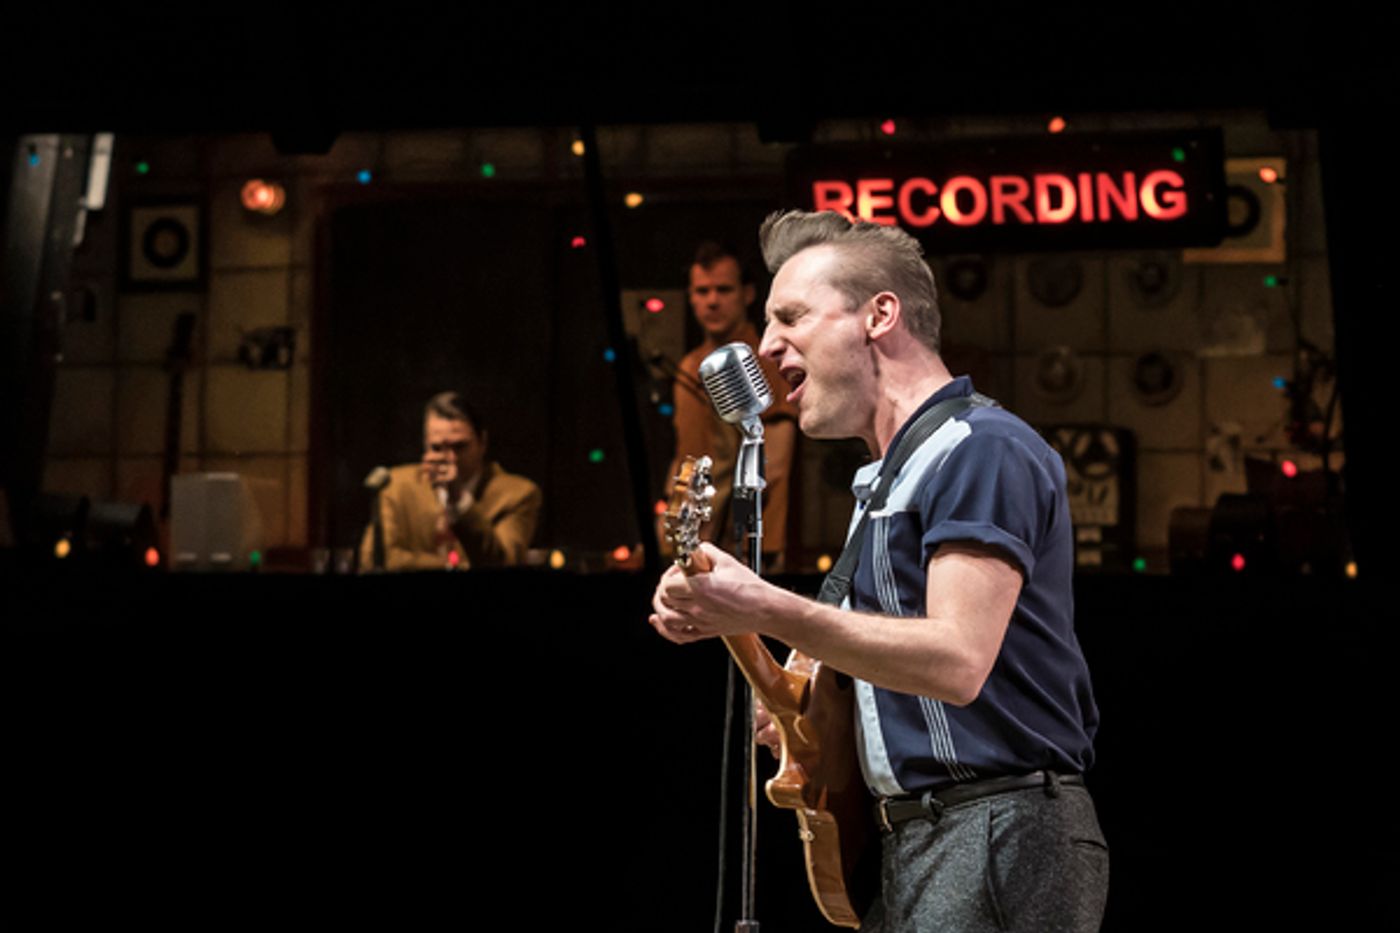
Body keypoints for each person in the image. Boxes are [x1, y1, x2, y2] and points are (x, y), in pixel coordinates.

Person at [650, 211, 1107, 931]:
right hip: (925, 834)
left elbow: (957, 661)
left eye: (791, 317)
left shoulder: (978, 447)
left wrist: (764, 605)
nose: (767, 345)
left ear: (879, 315)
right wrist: (821, 712)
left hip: (995, 826)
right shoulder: (886, 481)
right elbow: (891, 667)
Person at [664, 241, 797, 569]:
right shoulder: (687, 367)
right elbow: (685, 455)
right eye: (702, 291)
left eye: (723, 289)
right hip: (696, 546)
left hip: (750, 548)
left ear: (747, 294)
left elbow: (775, 463)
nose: (712, 301)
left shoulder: (766, 358)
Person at [359, 391, 541, 572]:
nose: (450, 458)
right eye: (437, 447)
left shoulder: (517, 494)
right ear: (425, 444)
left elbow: (504, 563)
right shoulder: (395, 486)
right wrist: (454, 566)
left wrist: (459, 499)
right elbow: (375, 561)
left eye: (460, 446)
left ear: (482, 442)